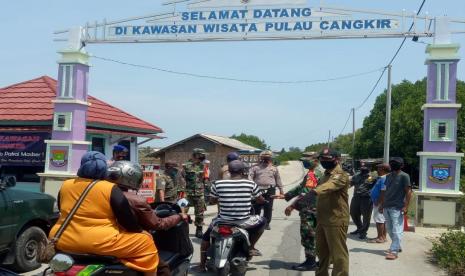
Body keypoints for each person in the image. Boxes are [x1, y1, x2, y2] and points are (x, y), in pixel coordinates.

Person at [50, 151, 158, 276]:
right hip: (99, 242)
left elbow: (61, 209)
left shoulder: (66, 185)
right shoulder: (110, 188)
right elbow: (127, 221)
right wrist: (140, 231)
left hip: (61, 239)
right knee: (146, 241)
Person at [107, 161, 189, 276]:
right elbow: (158, 224)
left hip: (100, 242)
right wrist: (179, 216)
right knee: (162, 268)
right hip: (127, 244)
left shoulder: (100, 194)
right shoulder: (137, 200)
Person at [195, 160, 267, 272]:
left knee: (205, 239)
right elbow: (260, 199)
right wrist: (263, 200)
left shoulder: (217, 184)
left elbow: (212, 201)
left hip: (221, 221)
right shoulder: (250, 184)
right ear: (243, 171)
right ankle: (251, 246)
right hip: (243, 222)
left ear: (229, 171)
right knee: (263, 221)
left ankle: (201, 265)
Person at [301, 148, 350, 276]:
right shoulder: (325, 175)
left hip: (335, 220)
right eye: (322, 158)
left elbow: (329, 186)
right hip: (322, 220)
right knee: (322, 253)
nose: (323, 161)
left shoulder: (341, 175)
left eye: (327, 159)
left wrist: (314, 192)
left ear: (337, 160)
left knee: (338, 255)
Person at [273, 154, 320, 271]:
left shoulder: (313, 174)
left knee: (308, 235)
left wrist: (293, 205)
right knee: (318, 235)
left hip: (310, 209)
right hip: (316, 208)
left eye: (307, 160)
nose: (304, 162)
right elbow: (300, 187)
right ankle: (325, 260)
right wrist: (286, 195)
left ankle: (310, 262)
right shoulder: (314, 172)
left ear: (315, 160)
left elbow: (306, 193)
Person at [378, 157, 412, 260]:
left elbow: (408, 192)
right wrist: (381, 205)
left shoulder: (404, 176)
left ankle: (394, 251)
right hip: (387, 206)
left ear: (402, 165)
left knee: (397, 229)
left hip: (397, 207)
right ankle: (397, 246)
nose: (393, 165)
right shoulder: (388, 176)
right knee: (389, 229)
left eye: (395, 163)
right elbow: (384, 191)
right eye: (392, 163)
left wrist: (406, 206)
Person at [249, 150, 284, 230]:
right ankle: (256, 223)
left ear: (270, 158)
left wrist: (281, 190)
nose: (266, 159)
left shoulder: (274, 168)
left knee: (268, 207)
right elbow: (250, 177)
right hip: (257, 190)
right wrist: (251, 187)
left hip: (270, 189)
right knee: (256, 207)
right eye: (264, 158)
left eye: (268, 158)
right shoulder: (255, 167)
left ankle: (266, 223)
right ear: (261, 158)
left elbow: (278, 179)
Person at [181, 148, 208, 238]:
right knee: (182, 211)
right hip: (187, 193)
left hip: (199, 193)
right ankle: (182, 230)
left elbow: (205, 179)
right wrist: (182, 191)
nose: (202, 156)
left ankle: (199, 230)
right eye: (200, 155)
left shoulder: (203, 166)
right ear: (196, 155)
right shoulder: (186, 166)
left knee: (200, 213)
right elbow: (182, 179)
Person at [349, 164, 375, 239]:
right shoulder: (356, 176)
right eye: (362, 167)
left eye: (365, 167)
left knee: (366, 216)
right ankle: (359, 228)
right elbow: (350, 184)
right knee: (353, 213)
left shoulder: (372, 176)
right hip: (356, 197)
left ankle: (363, 232)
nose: (363, 169)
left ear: (369, 168)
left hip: (366, 198)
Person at [367, 163, 390, 244]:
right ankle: (383, 236)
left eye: (379, 168)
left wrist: (379, 202)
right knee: (382, 220)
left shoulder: (384, 178)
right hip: (379, 201)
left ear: (383, 169)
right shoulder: (381, 177)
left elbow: (383, 192)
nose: (377, 170)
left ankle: (380, 237)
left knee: (379, 220)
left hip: (379, 202)